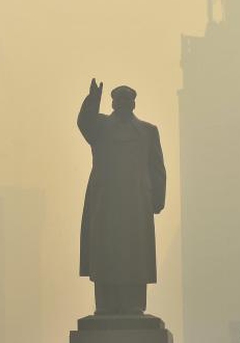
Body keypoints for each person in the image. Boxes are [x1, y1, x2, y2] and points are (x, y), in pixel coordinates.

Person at [77, 78, 167, 315]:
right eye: (119, 100)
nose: (123, 104)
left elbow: (156, 167)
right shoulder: (100, 128)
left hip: (136, 204)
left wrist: (157, 199)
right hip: (106, 202)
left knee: (135, 256)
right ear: (113, 103)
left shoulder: (148, 131)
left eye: (128, 101)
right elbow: (84, 123)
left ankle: (135, 304)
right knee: (105, 254)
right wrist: (92, 101)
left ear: (134, 105)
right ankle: (105, 304)